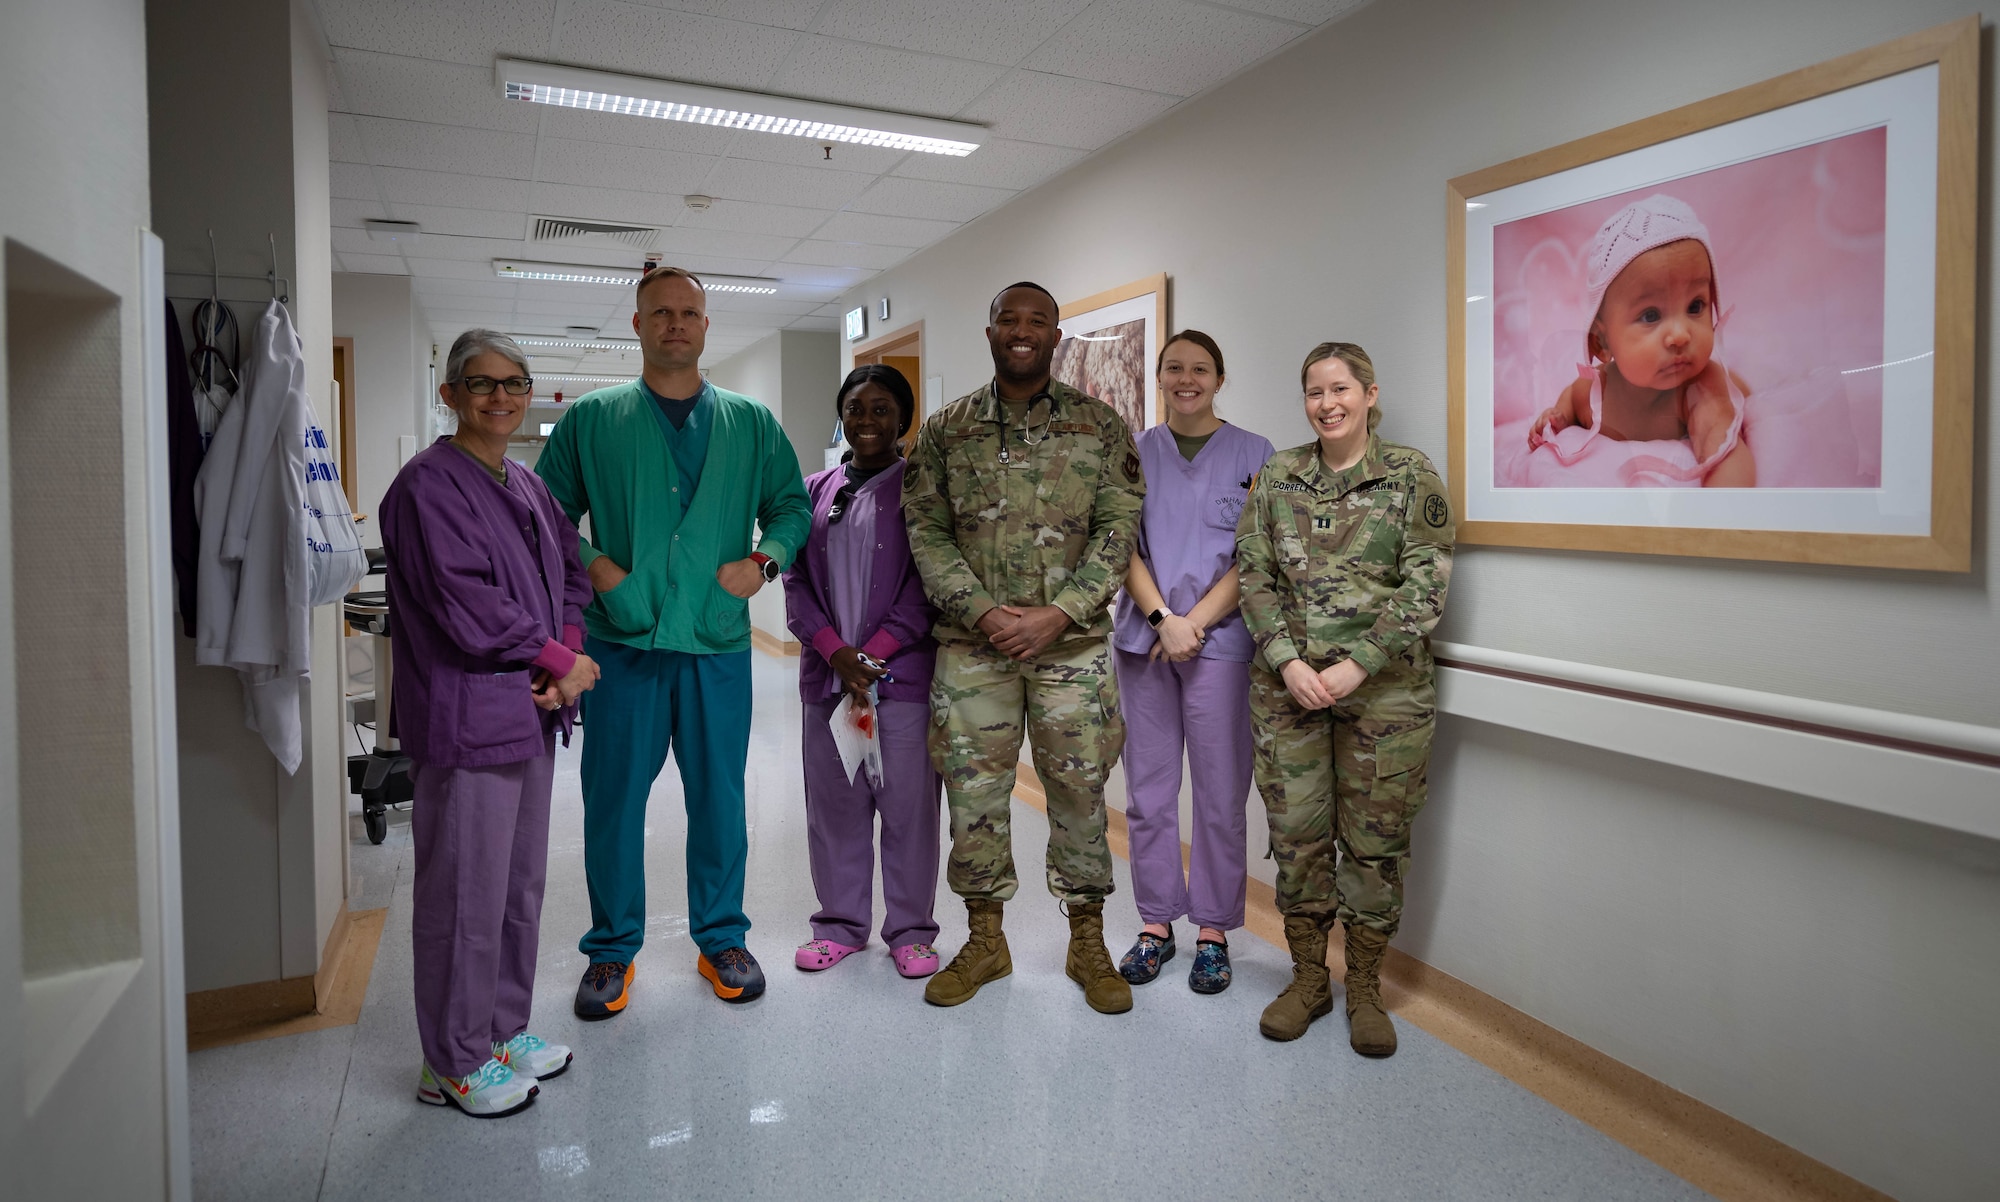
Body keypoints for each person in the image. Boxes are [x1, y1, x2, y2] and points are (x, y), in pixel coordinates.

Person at [538, 266, 812, 1017]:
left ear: (706, 325)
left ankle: (721, 937)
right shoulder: (592, 420)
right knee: (614, 801)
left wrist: (764, 562)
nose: (676, 324)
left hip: (717, 644)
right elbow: (544, 511)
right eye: (662, 313)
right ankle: (611, 952)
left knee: (720, 799)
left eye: (690, 312)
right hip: (622, 644)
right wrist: (594, 564)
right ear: (636, 324)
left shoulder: (751, 424)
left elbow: (792, 508)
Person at [903, 281, 1146, 1015]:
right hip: (973, 648)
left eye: (1037, 321)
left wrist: (1059, 614)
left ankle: (1087, 940)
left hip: (1070, 649)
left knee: (1078, 793)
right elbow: (927, 533)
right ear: (990, 332)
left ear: (1055, 335)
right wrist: (981, 612)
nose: (1022, 330)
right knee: (974, 797)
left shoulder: (1101, 428)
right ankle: (985, 940)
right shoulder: (945, 432)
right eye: (1009, 319)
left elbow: (1117, 532)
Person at [381, 329, 598, 1117]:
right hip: (468, 718)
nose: (500, 397)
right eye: (482, 384)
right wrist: (554, 658)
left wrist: (566, 652)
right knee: (463, 895)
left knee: (517, 889)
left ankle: (502, 1030)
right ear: (451, 395)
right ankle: (452, 1060)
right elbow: (467, 605)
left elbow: (571, 574)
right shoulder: (426, 488)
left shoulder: (526, 484)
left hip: (530, 713)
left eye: (514, 383)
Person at [1236, 342, 1453, 1055]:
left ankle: (1363, 988)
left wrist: (1360, 664)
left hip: (1385, 698)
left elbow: (1427, 585)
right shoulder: (1278, 476)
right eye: (1313, 392)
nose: (1326, 404)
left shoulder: (1411, 475)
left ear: (1368, 393)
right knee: (1297, 841)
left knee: (1374, 847)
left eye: (1339, 389)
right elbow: (1254, 575)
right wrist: (1285, 660)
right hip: (1288, 693)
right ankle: (1306, 980)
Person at [1111, 331, 1274, 994]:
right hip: (1144, 640)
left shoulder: (1256, 454)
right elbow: (1120, 546)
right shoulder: (1134, 453)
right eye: (1174, 368)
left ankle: (1212, 930)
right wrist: (1161, 620)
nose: (1187, 379)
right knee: (1148, 797)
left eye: (1200, 369)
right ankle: (1155, 926)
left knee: (1218, 793)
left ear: (1219, 377)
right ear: (1159, 376)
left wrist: (1193, 625)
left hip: (1220, 645)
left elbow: (1254, 556)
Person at [784, 365, 944, 979]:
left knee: (907, 808)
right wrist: (835, 652)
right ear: (841, 415)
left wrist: (872, 655)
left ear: (903, 418)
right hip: (830, 681)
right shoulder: (812, 489)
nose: (868, 421)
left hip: (900, 682)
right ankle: (839, 926)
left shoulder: (924, 490)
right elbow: (794, 583)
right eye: (856, 409)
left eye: (882, 409)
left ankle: (910, 930)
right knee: (835, 806)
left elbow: (928, 585)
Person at [1527, 193, 1755, 487]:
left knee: (1734, 389)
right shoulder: (1594, 392)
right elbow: (1571, 399)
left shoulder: (1701, 386)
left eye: (1695, 307)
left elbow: (1723, 448)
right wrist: (1557, 416)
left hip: (1726, 391)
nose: (1680, 335)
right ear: (1601, 343)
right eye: (1650, 315)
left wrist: (1721, 522)